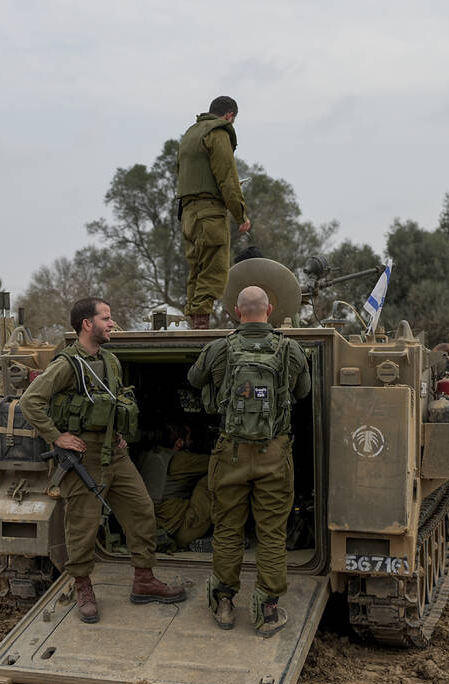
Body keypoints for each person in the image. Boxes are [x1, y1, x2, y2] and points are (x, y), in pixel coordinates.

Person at [18, 297, 187, 623]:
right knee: (82, 526)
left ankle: (144, 580)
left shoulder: (110, 361)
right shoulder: (67, 364)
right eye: (106, 318)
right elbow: (31, 401)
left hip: (115, 451)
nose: (112, 324)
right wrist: (57, 436)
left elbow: (114, 402)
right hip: (83, 455)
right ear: (87, 324)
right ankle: (83, 587)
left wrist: (118, 432)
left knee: (141, 509)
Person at [188, 286, 310, 636]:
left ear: (236, 313)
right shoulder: (291, 349)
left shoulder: (218, 348)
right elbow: (302, 393)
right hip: (274, 453)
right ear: (270, 310)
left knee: (227, 529)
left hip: (230, 454)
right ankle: (267, 612)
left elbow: (194, 379)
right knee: (272, 533)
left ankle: (225, 604)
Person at [176, 95, 251, 330]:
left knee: (197, 270)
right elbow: (227, 178)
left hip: (188, 214)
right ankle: (200, 327)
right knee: (213, 269)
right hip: (209, 214)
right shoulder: (218, 133)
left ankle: (195, 320)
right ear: (230, 116)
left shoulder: (191, 133)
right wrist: (241, 215)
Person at [141, 424, 213, 550]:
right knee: (212, 478)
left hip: (150, 530)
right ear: (179, 443)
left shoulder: (145, 456)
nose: (191, 442)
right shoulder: (180, 460)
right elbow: (216, 462)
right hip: (181, 534)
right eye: (189, 439)